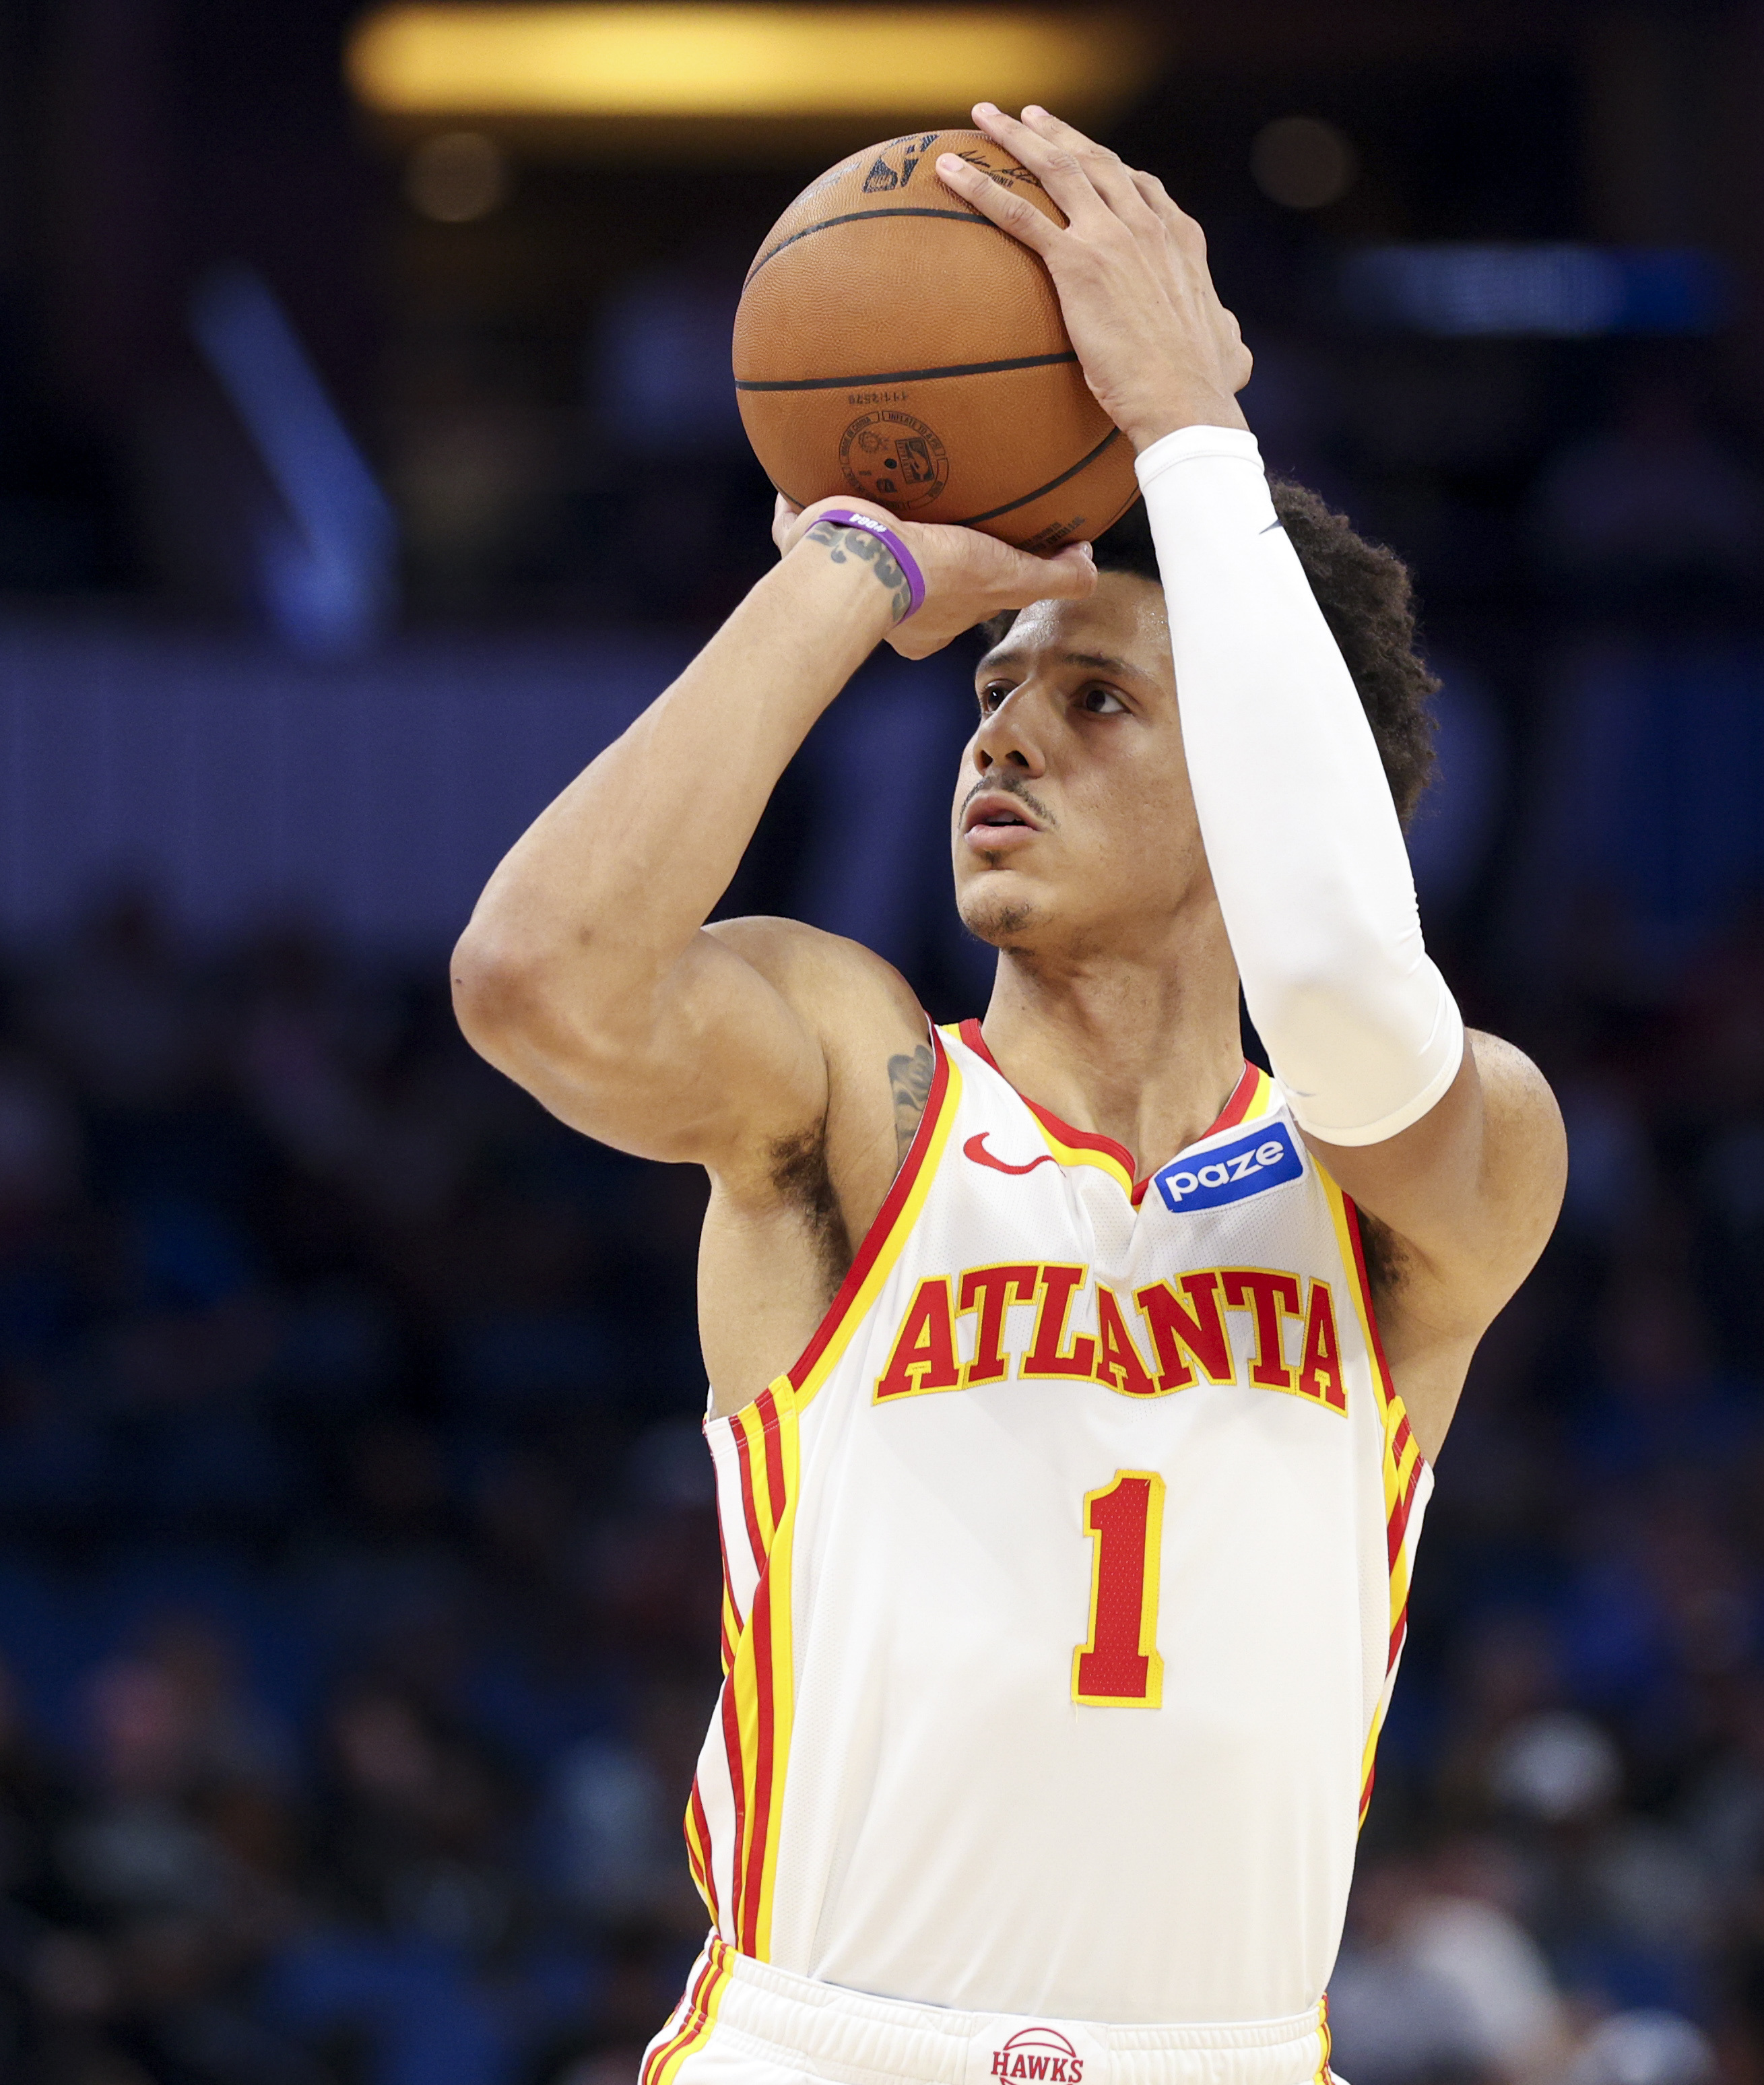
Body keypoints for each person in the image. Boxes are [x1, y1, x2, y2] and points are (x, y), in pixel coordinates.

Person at [453, 101, 1567, 2085]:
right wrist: (849, 570)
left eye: (1097, 699)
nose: (1002, 740)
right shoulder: (859, 1082)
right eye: (991, 692)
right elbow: (534, 980)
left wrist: (1193, 429)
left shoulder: (1431, 1163)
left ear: (1253, 774)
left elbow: (1332, 978)